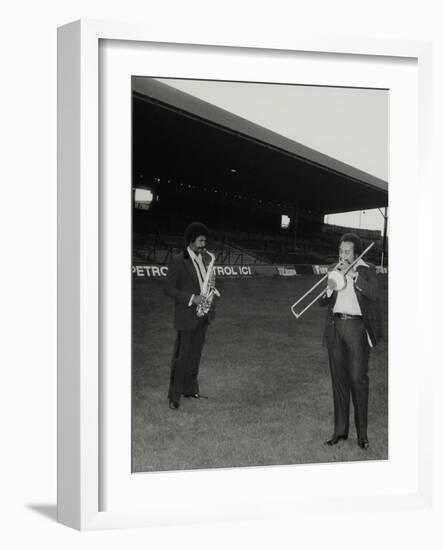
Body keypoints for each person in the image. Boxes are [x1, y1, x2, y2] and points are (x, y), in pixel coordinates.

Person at [320, 233, 382, 450]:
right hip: (336, 327)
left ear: (356, 254)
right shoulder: (333, 268)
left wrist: (355, 275)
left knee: (358, 380)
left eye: (347, 252)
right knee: (339, 381)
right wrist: (329, 287)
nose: (342, 255)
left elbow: (375, 294)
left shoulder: (367, 269)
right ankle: (340, 431)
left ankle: (362, 435)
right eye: (341, 251)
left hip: (357, 328)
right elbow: (322, 301)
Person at [163, 222, 219, 410]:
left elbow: (206, 283)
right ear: (191, 241)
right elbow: (168, 289)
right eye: (201, 240)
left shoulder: (205, 260)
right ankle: (174, 396)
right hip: (186, 315)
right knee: (181, 357)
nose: (204, 244)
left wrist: (210, 292)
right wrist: (191, 298)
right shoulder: (179, 260)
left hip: (203, 315)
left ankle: (191, 389)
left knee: (195, 355)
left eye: (205, 240)